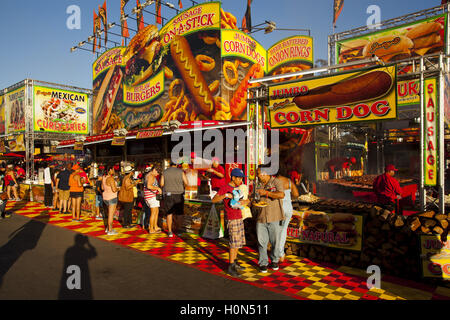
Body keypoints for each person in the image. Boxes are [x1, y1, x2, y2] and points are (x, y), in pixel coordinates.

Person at [212, 168, 250, 277]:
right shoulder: (225, 187)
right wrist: (225, 195)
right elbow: (214, 199)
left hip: (239, 216)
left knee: (238, 242)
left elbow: (245, 200)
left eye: (241, 178)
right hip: (232, 218)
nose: (240, 180)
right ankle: (231, 266)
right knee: (233, 243)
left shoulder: (238, 188)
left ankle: (235, 261)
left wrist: (245, 201)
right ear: (233, 178)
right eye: (239, 178)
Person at [255, 165, 285, 273]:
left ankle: (275, 260)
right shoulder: (258, 184)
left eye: (258, 173)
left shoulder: (276, 182)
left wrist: (267, 193)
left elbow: (281, 194)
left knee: (275, 241)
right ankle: (263, 263)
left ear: (264, 173)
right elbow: (253, 197)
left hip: (274, 216)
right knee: (261, 242)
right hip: (261, 216)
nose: (257, 175)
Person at [160, 161, 188, 237]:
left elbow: (161, 184)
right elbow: (186, 182)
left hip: (168, 194)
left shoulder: (165, 172)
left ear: (170, 164)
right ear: (177, 164)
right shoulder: (181, 171)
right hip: (179, 194)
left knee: (169, 213)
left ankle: (169, 232)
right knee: (179, 213)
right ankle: (179, 231)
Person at [276, 170, 299, 263]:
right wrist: (290, 198)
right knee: (283, 231)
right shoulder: (289, 181)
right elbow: (296, 194)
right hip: (288, 209)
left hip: (278, 209)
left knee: (276, 231)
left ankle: (278, 254)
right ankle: (281, 254)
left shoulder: (273, 181)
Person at [144, 164, 163, 234]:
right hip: (151, 197)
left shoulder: (148, 175)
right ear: (154, 170)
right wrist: (158, 188)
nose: (157, 174)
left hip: (150, 196)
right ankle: (151, 229)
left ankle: (155, 226)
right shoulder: (151, 176)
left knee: (156, 211)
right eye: (157, 172)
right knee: (153, 213)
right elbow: (149, 186)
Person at [103, 166, 119, 235]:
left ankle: (108, 228)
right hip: (112, 197)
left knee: (109, 213)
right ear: (110, 170)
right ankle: (110, 230)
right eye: (113, 169)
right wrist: (119, 188)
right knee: (111, 215)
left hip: (105, 197)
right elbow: (114, 189)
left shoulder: (104, 177)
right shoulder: (111, 178)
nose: (114, 171)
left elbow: (102, 187)